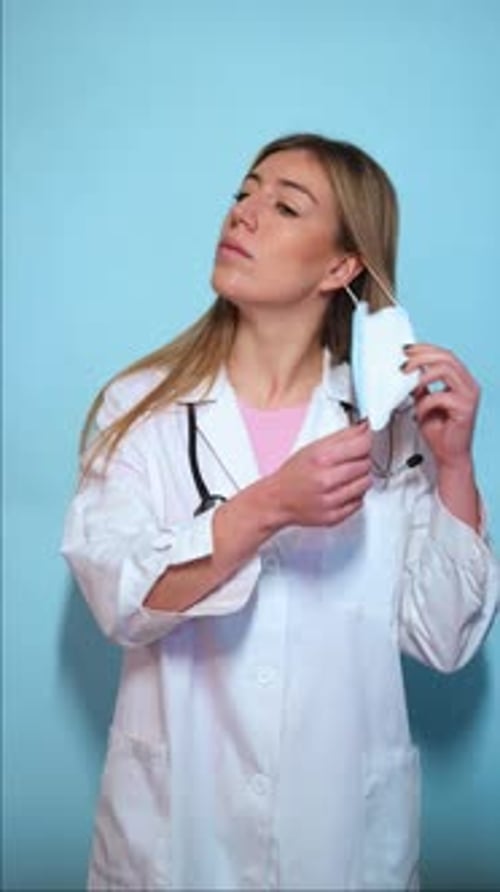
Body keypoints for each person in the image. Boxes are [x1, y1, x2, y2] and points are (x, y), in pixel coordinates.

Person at [62, 133, 498, 891]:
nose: (244, 215)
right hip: (177, 835)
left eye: (284, 204)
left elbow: (444, 637)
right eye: (244, 193)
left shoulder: (389, 426)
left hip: (339, 840)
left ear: (341, 266)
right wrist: (266, 507)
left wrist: (455, 465)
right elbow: (120, 598)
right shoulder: (141, 410)